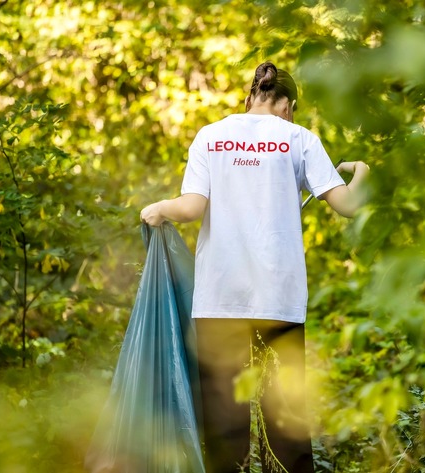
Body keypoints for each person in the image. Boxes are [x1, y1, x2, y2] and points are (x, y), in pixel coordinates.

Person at [140, 61, 369, 473]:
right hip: (276, 300)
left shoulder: (211, 136)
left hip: (220, 300)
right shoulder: (299, 138)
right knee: (286, 426)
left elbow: (190, 209)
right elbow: (348, 206)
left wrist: (157, 208)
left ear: (250, 98)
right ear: (288, 105)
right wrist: (362, 172)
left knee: (224, 431)